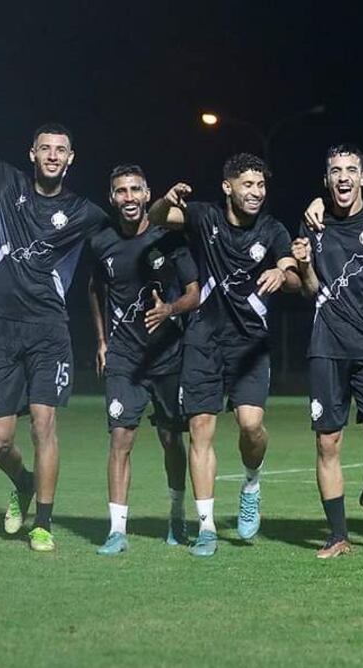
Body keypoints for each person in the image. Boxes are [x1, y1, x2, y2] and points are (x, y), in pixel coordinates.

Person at [0, 53, 108, 552]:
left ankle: (43, 523)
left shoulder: (83, 212)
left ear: (71, 159)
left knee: (45, 425)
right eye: (45, 148)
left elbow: (134, 224)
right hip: (2, 329)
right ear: (32, 153)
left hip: (49, 331)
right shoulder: (6, 183)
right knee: (0, 441)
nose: (52, 155)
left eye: (61, 150)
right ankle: (23, 483)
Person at [147, 153, 300, 557]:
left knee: (251, 426)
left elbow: (293, 272)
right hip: (204, 339)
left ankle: (251, 483)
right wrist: (165, 200)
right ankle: (207, 527)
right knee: (200, 428)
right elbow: (158, 217)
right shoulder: (204, 217)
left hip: (250, 342)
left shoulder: (272, 229)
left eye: (261, 185)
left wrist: (282, 273)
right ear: (227, 187)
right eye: (248, 184)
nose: (256, 192)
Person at [292, 145, 363, 559]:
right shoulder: (313, 223)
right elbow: (309, 290)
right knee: (328, 442)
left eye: (351, 170)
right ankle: (338, 534)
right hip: (327, 344)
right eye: (336, 171)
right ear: (326, 180)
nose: (343, 177)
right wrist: (304, 264)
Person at [88, 165, 200, 555]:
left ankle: (177, 515)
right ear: (112, 197)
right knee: (121, 437)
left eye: (136, 190)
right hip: (124, 359)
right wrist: (101, 341)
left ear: (147, 194)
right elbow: (94, 288)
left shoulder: (168, 238)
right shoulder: (101, 241)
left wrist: (170, 309)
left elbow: (194, 292)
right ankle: (116, 531)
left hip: (167, 356)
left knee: (171, 438)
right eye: (121, 191)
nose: (129, 197)